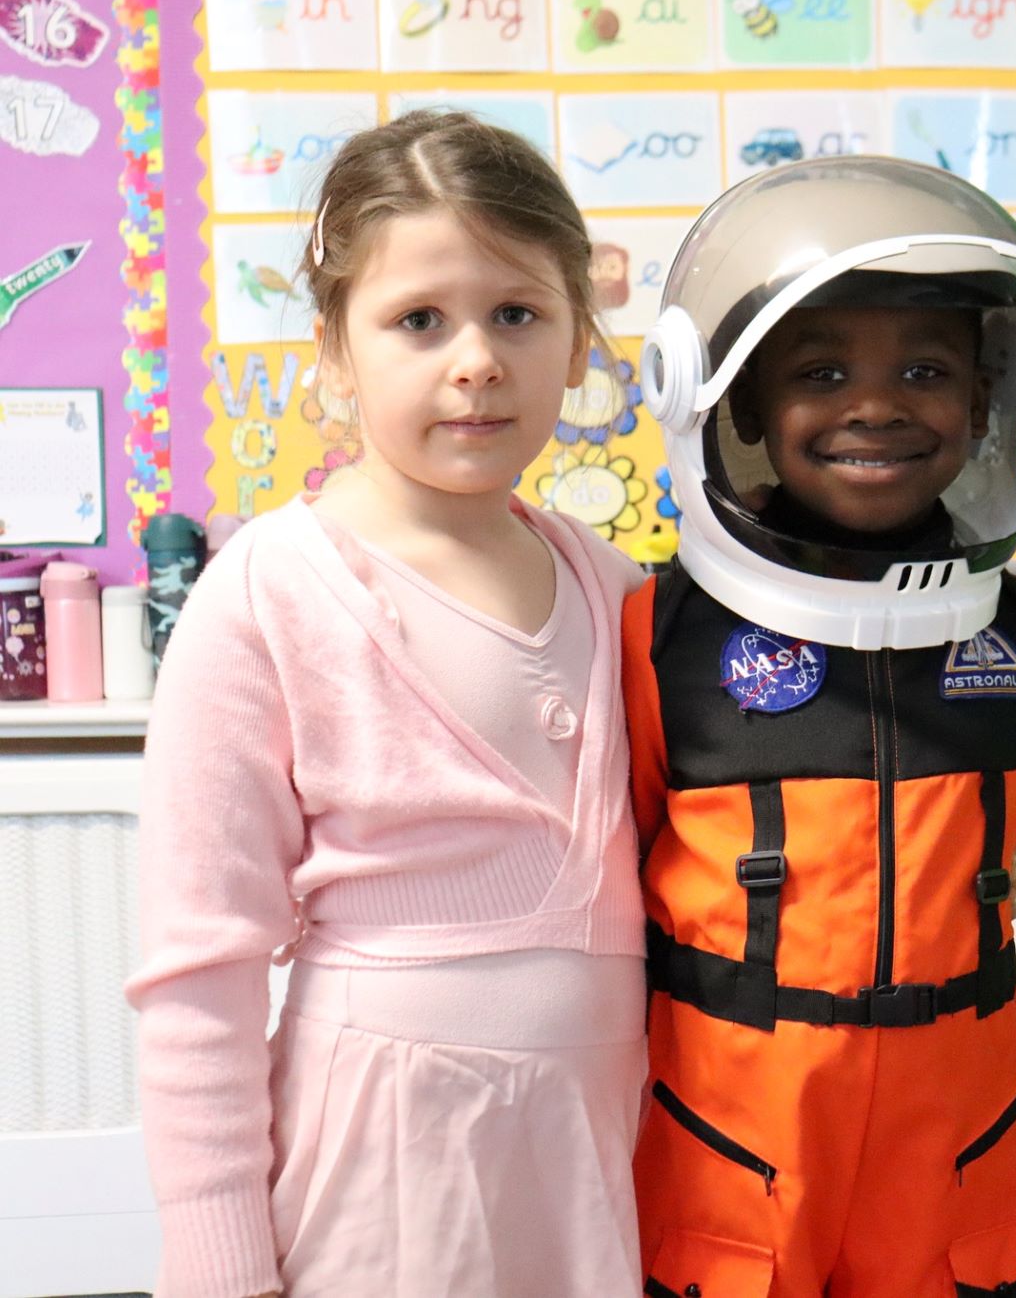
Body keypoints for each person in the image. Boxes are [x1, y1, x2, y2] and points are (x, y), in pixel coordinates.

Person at [127, 112, 650, 1296]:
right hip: (384, 1160)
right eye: (419, 320)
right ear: (333, 352)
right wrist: (217, 1260)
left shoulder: (616, 590)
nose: (475, 359)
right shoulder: (267, 594)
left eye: (517, 313)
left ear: (579, 341)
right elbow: (196, 967)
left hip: (600, 1149)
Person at [622, 156, 1016, 1297]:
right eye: (820, 370)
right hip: (732, 1145)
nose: (875, 405)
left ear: (989, 398)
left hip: (955, 1151)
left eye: (927, 370)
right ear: (728, 400)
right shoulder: (657, 638)